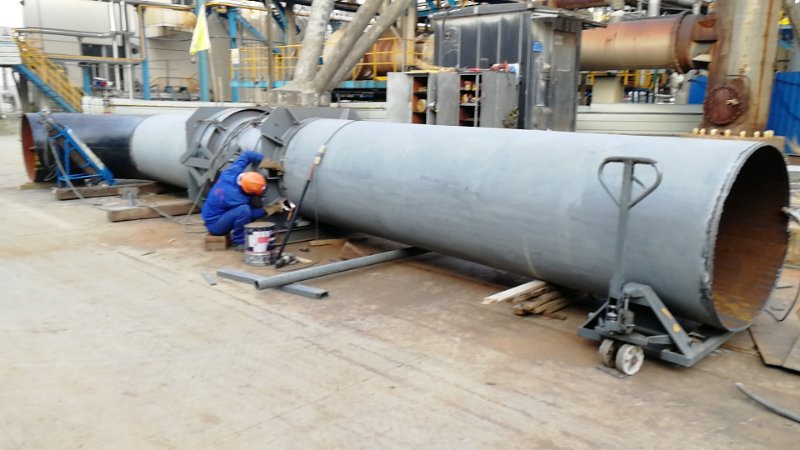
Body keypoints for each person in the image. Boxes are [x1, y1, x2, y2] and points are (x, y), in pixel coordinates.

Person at [202, 150, 268, 249]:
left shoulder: (230, 173)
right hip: (215, 224)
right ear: (247, 190)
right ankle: (239, 241)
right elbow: (251, 213)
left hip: (215, 214)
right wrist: (267, 210)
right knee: (244, 211)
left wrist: (264, 159)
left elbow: (247, 155)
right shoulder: (235, 197)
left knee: (243, 210)